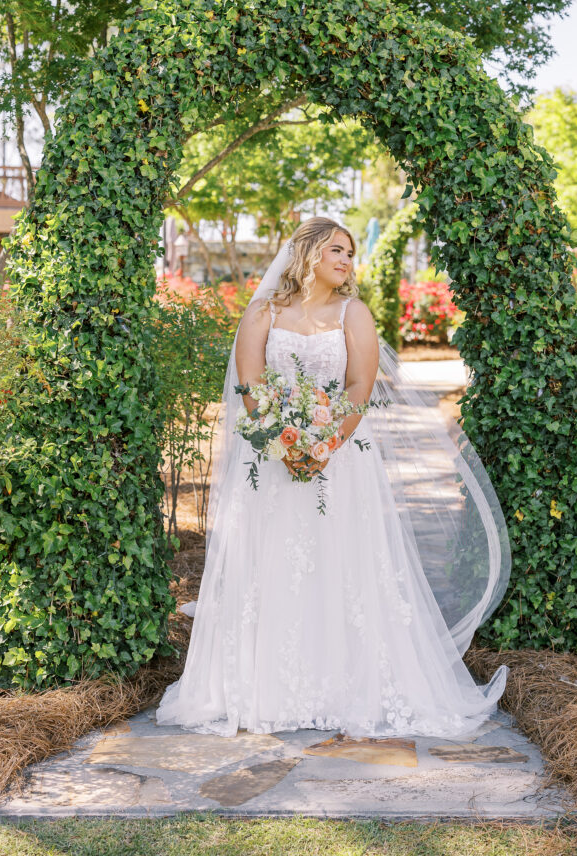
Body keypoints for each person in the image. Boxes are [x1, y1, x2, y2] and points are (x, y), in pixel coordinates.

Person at [156, 216, 511, 738]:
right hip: (271, 465)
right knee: (273, 566)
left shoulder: (354, 313)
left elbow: (359, 387)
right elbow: (249, 388)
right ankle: (265, 688)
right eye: (337, 251)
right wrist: (283, 443)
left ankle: (346, 686)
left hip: (341, 463)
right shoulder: (262, 314)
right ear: (308, 254)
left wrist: (323, 446)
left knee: (342, 566)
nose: (346, 261)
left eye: (349, 253)